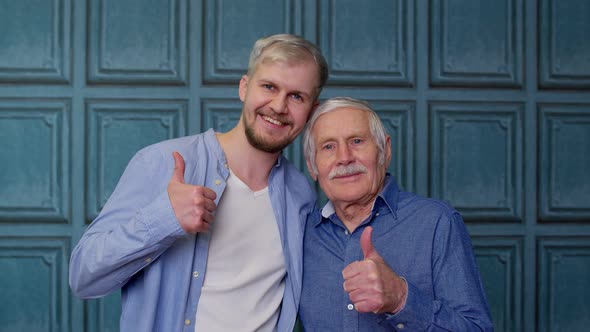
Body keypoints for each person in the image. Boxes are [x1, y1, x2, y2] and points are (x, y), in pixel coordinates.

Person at [69, 34, 328, 332]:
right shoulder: (163, 162)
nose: (279, 106)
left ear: (312, 109)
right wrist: (164, 218)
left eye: (297, 96)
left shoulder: (301, 195)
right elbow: (83, 277)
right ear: (244, 87)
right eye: (269, 86)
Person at [299, 97, 493, 331]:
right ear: (312, 165)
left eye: (357, 141)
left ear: (385, 150)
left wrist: (401, 298)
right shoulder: (300, 233)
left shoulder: (437, 223)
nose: (344, 157)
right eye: (328, 146)